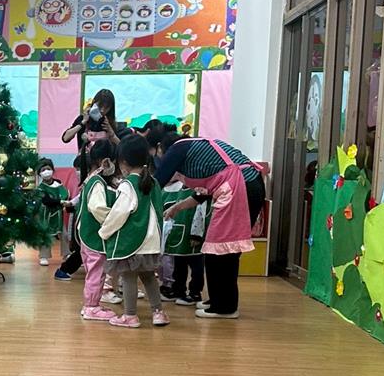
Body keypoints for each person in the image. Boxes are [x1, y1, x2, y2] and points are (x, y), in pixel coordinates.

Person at [157, 136, 266, 319]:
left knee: (220, 250)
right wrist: (177, 207)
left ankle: (224, 307)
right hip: (248, 185)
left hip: (240, 189)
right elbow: (203, 194)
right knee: (224, 251)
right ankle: (219, 300)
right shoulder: (199, 150)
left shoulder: (177, 149)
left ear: (161, 148)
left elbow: (156, 182)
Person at [55, 89, 126, 281]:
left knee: (99, 220)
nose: (102, 110)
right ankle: (75, 264)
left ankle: (92, 266)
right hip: (87, 172)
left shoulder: (111, 124)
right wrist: (83, 122)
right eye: (99, 105)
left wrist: (111, 132)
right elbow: (65, 137)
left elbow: (123, 148)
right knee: (88, 218)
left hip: (108, 175)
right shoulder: (83, 120)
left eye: (106, 107)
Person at [100, 134, 169, 328]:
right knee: (149, 277)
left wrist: (104, 231)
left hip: (133, 241)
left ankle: (130, 316)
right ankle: (158, 313)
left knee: (128, 276)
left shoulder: (128, 185)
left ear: (123, 162)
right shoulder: (154, 182)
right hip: (152, 241)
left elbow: (119, 213)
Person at [77, 140, 121, 320]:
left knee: (95, 272)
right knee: (97, 272)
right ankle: (91, 307)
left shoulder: (93, 179)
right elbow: (97, 208)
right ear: (106, 161)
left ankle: (91, 304)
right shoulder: (97, 182)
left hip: (89, 234)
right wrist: (115, 220)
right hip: (94, 235)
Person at [161, 177, 208, 305]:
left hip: (192, 235)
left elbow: (200, 212)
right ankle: (178, 290)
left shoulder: (198, 190)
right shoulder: (176, 189)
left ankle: (195, 293)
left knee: (196, 266)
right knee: (179, 265)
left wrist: (196, 235)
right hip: (178, 234)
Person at [36, 157, 70, 267]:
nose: (46, 172)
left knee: (64, 235)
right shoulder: (41, 188)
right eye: (43, 170)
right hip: (46, 215)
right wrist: (59, 201)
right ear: (39, 173)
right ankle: (44, 256)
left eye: (48, 169)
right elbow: (46, 200)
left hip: (58, 215)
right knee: (46, 235)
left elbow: (65, 194)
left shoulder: (58, 184)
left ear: (53, 170)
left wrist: (64, 201)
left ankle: (66, 254)